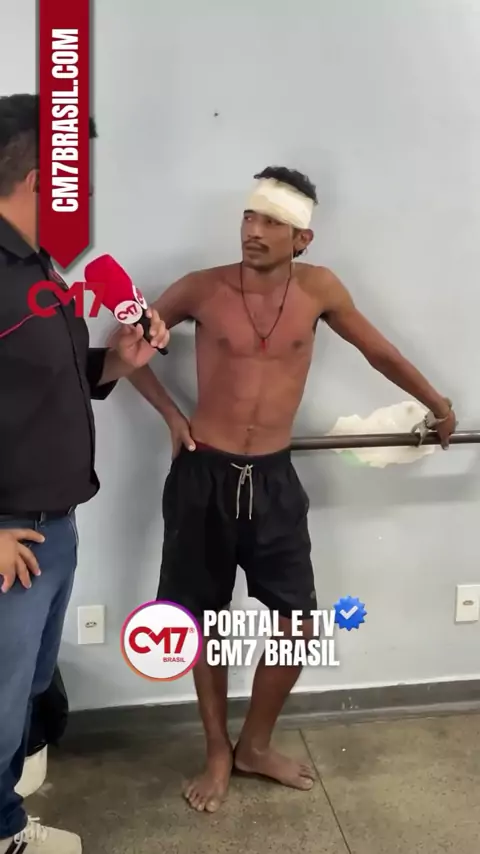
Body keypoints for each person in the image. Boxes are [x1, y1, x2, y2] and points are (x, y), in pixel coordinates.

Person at [129, 165, 456, 813]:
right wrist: (170, 415)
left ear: (302, 237)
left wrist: (436, 403)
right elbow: (127, 346)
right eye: (249, 216)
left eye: (272, 222)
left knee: (298, 623)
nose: (253, 230)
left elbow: (379, 351)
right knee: (202, 620)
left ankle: (254, 743)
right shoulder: (201, 287)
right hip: (203, 474)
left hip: (274, 479)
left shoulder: (320, 289)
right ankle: (217, 750)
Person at [0, 94, 169, 854]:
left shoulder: (39, 266)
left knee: (25, 694)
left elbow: (46, 381)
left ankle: (4, 819)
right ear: (43, 179)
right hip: (9, 539)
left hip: (55, 528)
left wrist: (119, 362)